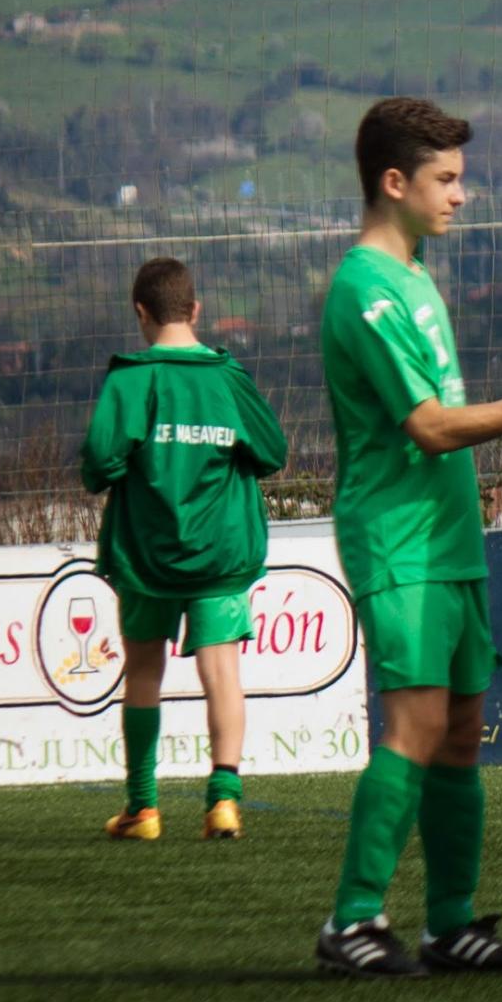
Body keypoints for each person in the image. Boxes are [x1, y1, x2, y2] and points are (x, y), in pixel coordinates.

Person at [315, 96, 502, 979]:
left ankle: (451, 925)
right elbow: (430, 428)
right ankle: (353, 923)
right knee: (416, 725)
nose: (460, 197)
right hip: (399, 542)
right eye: (445, 180)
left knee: (464, 730)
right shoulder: (364, 288)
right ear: (393, 183)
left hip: (450, 539)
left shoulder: (417, 278)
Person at [81, 257, 288, 842]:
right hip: (219, 556)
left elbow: (98, 465)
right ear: (196, 311)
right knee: (221, 671)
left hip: (146, 556)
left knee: (143, 672)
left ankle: (142, 809)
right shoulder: (228, 380)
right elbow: (272, 452)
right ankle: (223, 801)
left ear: (141, 314)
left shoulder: (130, 380)